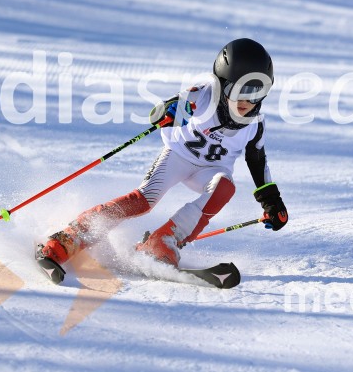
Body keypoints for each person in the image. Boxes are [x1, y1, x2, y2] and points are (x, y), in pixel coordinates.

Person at [36, 38, 288, 281]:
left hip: (210, 170)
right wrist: (169, 111)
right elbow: (170, 106)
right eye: (240, 90)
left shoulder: (254, 124)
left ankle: (162, 241)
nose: (247, 101)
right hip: (177, 157)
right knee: (143, 201)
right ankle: (68, 238)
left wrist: (272, 202)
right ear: (222, 84)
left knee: (225, 186)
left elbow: (257, 162)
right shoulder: (204, 94)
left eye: (257, 91)